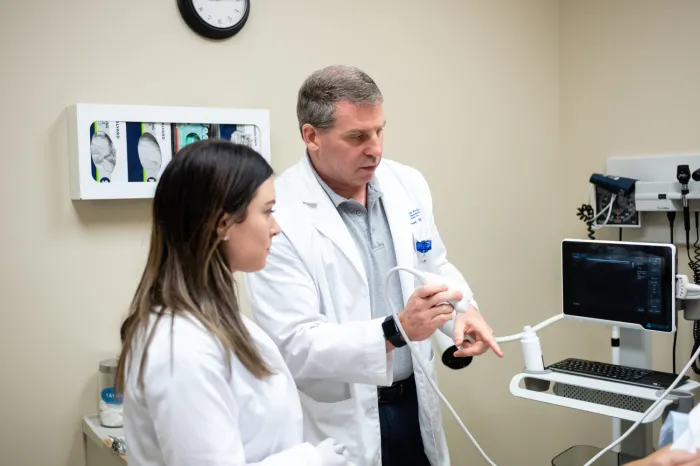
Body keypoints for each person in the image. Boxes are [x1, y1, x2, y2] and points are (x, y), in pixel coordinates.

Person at [243, 65, 503, 466]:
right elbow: (295, 342)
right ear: (311, 136)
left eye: (380, 131)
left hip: (415, 399)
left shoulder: (406, 183)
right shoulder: (278, 213)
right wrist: (396, 330)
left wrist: (464, 312)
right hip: (340, 420)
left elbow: (433, 263)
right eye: (357, 137)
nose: (376, 148)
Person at [114, 139, 353, 466]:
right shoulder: (181, 349)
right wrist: (311, 461)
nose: (276, 228)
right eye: (267, 211)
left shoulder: (212, 318)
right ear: (222, 223)